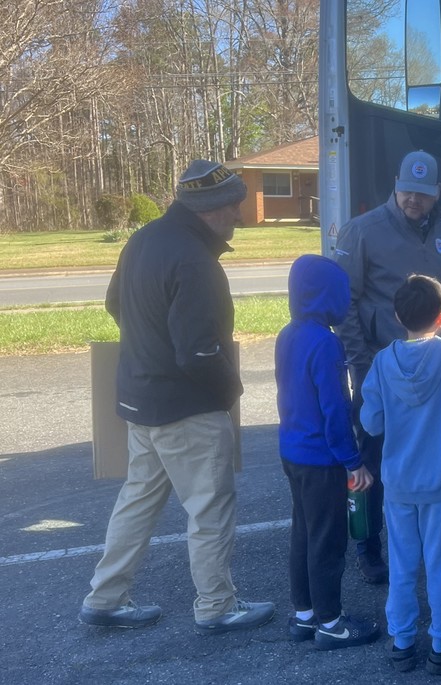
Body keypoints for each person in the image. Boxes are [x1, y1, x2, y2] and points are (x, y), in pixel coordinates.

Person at [79, 160, 275, 634]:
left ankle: (105, 597)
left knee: (138, 501)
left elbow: (114, 305)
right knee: (209, 508)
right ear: (212, 209)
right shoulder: (196, 262)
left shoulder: (144, 239)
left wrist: (148, 346)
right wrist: (231, 391)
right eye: (234, 206)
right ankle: (216, 606)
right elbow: (199, 353)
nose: (240, 217)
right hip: (186, 409)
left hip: (140, 400)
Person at [334, 149, 441, 584]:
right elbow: (347, 306)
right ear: (395, 185)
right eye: (406, 191)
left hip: (437, 367)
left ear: (436, 193)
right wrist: (362, 365)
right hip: (384, 367)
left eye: (422, 193)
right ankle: (369, 545)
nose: (413, 200)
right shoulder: (362, 231)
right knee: (376, 458)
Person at [360, 274, 441, 675]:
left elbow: (372, 423)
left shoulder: (381, 362)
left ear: (397, 316)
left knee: (402, 564)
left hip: (399, 483)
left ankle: (403, 642)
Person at [274, 253, 381, 650]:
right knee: (328, 541)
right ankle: (332, 623)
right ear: (326, 297)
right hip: (322, 459)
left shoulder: (289, 333)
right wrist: (353, 461)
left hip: (292, 451)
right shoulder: (327, 343)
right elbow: (334, 408)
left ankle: (304, 616)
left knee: (303, 534)